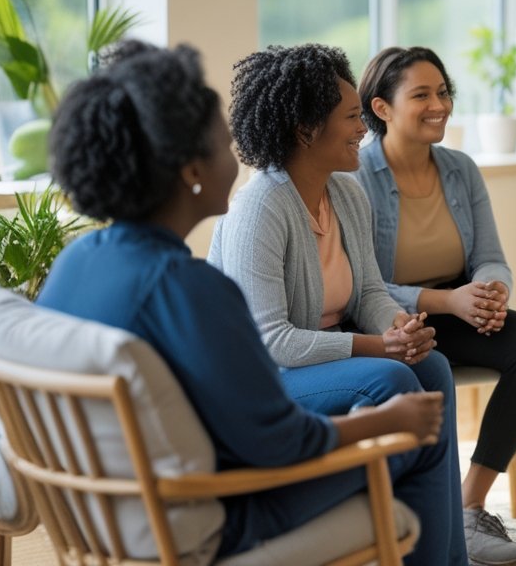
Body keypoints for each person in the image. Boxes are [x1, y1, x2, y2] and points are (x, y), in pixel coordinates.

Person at [38, 41, 458, 565]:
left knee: (420, 386)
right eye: (221, 140)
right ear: (191, 170)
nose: (238, 149)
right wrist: (387, 422)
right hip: (221, 511)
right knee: (411, 433)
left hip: (103, 516)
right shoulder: (185, 287)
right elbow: (277, 441)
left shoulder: (76, 263)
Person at [207, 43, 468, 564]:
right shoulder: (259, 209)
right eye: (351, 117)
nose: (363, 129)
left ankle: (444, 559)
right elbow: (270, 340)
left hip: (317, 365)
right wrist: (380, 347)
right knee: (389, 379)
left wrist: (400, 326)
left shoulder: (347, 193)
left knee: (432, 368)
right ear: (306, 130)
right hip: (261, 378)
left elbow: (370, 290)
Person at [356, 45, 516, 566]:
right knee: (430, 363)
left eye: (443, 92)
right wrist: (449, 300)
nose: (439, 104)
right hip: (389, 316)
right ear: (382, 108)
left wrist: (491, 291)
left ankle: (470, 505)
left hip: (459, 305)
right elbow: (363, 284)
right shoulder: (354, 175)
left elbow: (490, 257)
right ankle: (422, 511)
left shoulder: (460, 168)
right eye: (421, 94)